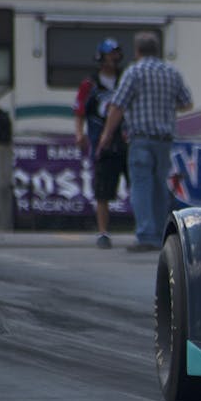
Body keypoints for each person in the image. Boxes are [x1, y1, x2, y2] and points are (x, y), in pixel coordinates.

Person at [96, 31, 193, 252]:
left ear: (137, 50)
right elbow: (187, 102)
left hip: (140, 138)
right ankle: (160, 234)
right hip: (164, 140)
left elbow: (118, 105)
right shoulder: (171, 72)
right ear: (157, 50)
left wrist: (106, 134)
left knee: (141, 186)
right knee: (160, 187)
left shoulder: (134, 72)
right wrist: (166, 105)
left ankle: (145, 235)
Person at [73, 38, 128, 249]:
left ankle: (144, 229)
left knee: (136, 185)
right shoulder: (90, 84)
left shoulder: (125, 79)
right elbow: (79, 112)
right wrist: (80, 134)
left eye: (116, 54)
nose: (114, 58)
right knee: (102, 191)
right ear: (101, 57)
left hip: (125, 140)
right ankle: (103, 232)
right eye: (110, 54)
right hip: (101, 143)